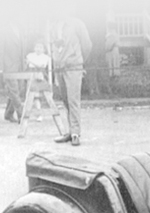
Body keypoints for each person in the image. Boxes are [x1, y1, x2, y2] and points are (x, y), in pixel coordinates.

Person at [50, 10, 91, 146]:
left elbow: (87, 45)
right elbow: (54, 45)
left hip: (73, 67)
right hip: (59, 67)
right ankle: (70, 130)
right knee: (65, 99)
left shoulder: (77, 24)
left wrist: (78, 61)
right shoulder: (54, 25)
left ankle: (75, 134)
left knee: (73, 100)